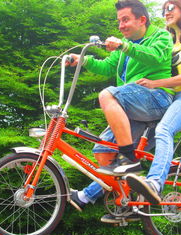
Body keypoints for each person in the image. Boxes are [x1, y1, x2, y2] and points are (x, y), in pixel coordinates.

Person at [68, 0, 174, 222]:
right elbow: (106, 66)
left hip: (157, 98)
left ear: (141, 20)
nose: (121, 25)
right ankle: (128, 202)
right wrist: (83, 60)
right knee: (102, 152)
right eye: (119, 21)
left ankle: (129, 158)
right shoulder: (126, 44)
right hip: (132, 105)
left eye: (125, 20)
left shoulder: (161, 37)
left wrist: (124, 46)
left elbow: (155, 56)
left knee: (107, 94)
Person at [126, 0, 181, 205]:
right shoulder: (166, 41)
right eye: (163, 10)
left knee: (163, 130)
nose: (165, 13)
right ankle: (89, 196)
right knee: (131, 148)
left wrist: (155, 83)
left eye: (170, 8)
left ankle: (154, 184)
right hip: (164, 99)